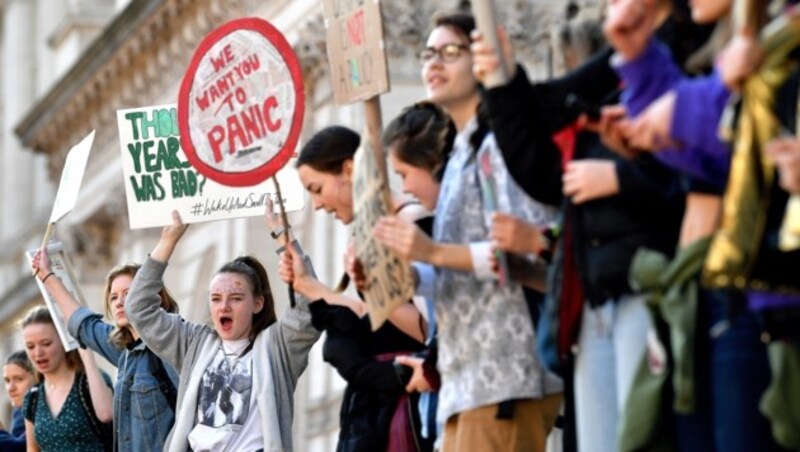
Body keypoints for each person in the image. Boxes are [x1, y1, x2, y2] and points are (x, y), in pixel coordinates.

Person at [375, 13, 564, 452]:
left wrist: (433, 252)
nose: (432, 64)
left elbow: (530, 252)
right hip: (465, 382)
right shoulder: (459, 153)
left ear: (480, 59)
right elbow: (454, 273)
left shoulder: (499, 144)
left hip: (507, 373)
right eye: (427, 54)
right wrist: (401, 277)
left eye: (450, 52)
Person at [124, 209, 322, 451]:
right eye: (215, 298)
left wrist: (284, 237)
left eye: (236, 298)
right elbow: (138, 307)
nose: (224, 307)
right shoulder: (193, 344)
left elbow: (311, 305)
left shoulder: (278, 348)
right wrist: (168, 241)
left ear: (258, 303)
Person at [285, 125, 432, 451]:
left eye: (317, 188)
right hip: (379, 408)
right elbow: (371, 316)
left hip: (411, 403)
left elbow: (428, 328)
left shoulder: (411, 221)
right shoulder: (367, 237)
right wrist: (306, 284)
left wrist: (374, 286)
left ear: (348, 170)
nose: (318, 204)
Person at [29, 250, 180, 452]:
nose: (119, 302)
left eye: (128, 293)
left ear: (151, 296)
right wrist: (47, 276)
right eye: (114, 297)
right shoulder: (125, 352)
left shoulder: (174, 344)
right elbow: (83, 323)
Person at [21, 306, 114, 452]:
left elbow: (107, 414)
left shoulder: (89, 383)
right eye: (30, 346)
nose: (38, 353)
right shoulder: (32, 397)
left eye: (46, 344)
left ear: (63, 340)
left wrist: (86, 354)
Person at [0, 351, 37, 452]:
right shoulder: (19, 409)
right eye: (7, 380)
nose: (11, 388)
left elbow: (21, 447)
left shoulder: (39, 408)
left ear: (37, 377)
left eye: (19, 379)